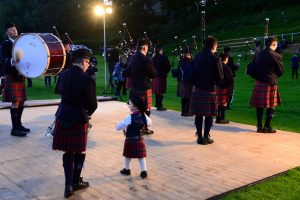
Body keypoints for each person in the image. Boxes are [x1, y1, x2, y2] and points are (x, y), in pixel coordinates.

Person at [52, 48, 98, 198]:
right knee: (80, 150)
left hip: (62, 115)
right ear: (84, 61)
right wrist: (86, 114)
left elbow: (59, 91)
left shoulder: (64, 74)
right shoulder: (87, 78)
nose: (88, 66)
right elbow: (93, 105)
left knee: (68, 152)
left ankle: (68, 185)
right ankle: (76, 181)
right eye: (88, 63)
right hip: (78, 117)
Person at [189, 36, 223, 145]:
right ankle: (206, 137)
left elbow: (192, 73)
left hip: (197, 89)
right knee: (209, 115)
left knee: (198, 115)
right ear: (214, 46)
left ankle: (199, 137)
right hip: (209, 90)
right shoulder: (216, 59)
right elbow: (220, 77)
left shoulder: (197, 56)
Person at [0, 22, 29, 137]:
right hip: (12, 75)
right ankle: (14, 129)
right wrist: (14, 60)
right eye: (11, 30)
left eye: (15, 28)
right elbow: (3, 59)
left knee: (21, 101)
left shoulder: (20, 43)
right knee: (15, 102)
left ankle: (19, 125)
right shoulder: (5, 44)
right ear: (7, 33)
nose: (14, 31)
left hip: (20, 74)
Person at [123, 37, 157, 135]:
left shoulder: (133, 57)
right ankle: (143, 128)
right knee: (146, 110)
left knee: (136, 109)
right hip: (144, 88)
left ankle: (140, 127)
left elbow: (128, 72)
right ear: (145, 48)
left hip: (134, 87)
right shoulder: (146, 60)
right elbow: (154, 74)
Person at [250, 37, 284, 133]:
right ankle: (267, 126)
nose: (276, 46)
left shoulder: (259, 54)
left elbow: (253, 68)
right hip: (270, 82)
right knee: (271, 105)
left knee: (259, 105)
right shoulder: (276, 56)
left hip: (259, 82)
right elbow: (281, 71)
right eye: (276, 44)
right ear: (273, 44)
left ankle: (259, 126)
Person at [115, 96, 151, 179]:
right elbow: (149, 123)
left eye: (130, 104)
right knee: (141, 156)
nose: (129, 106)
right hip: (140, 139)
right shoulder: (143, 115)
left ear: (135, 106)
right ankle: (144, 171)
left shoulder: (129, 117)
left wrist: (117, 125)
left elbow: (119, 127)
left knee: (128, 155)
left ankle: (127, 169)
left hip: (130, 140)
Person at [152, 44, 171, 110]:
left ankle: (157, 104)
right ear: (160, 50)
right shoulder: (163, 57)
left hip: (155, 76)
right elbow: (168, 66)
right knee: (160, 91)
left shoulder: (153, 57)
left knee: (157, 91)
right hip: (161, 76)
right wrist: (165, 72)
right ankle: (159, 105)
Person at [215, 53, 234, 124]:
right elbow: (230, 79)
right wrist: (231, 88)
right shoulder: (226, 67)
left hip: (217, 86)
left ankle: (217, 118)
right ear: (226, 59)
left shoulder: (217, 66)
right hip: (224, 87)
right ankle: (222, 118)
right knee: (223, 103)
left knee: (218, 103)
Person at [178, 48, 194, 116]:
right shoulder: (189, 61)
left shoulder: (181, 61)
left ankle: (184, 111)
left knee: (184, 97)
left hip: (183, 81)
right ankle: (186, 111)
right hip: (188, 82)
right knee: (188, 97)